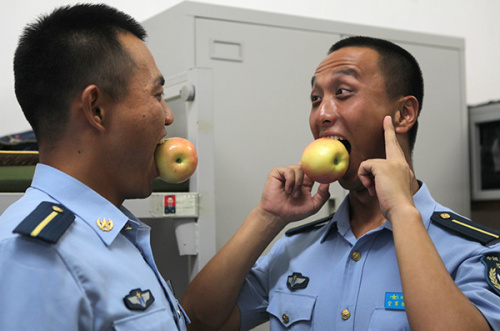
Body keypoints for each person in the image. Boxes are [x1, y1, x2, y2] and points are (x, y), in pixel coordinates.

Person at [181, 36, 500, 330]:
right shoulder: (296, 249)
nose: (322, 114)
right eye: (315, 98)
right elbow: (197, 320)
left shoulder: (474, 252)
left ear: (404, 113)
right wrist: (267, 216)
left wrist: (402, 212)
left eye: (342, 93)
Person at [0, 4, 189, 330]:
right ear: (96, 109)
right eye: (157, 95)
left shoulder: (111, 235)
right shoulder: (35, 255)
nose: (168, 116)